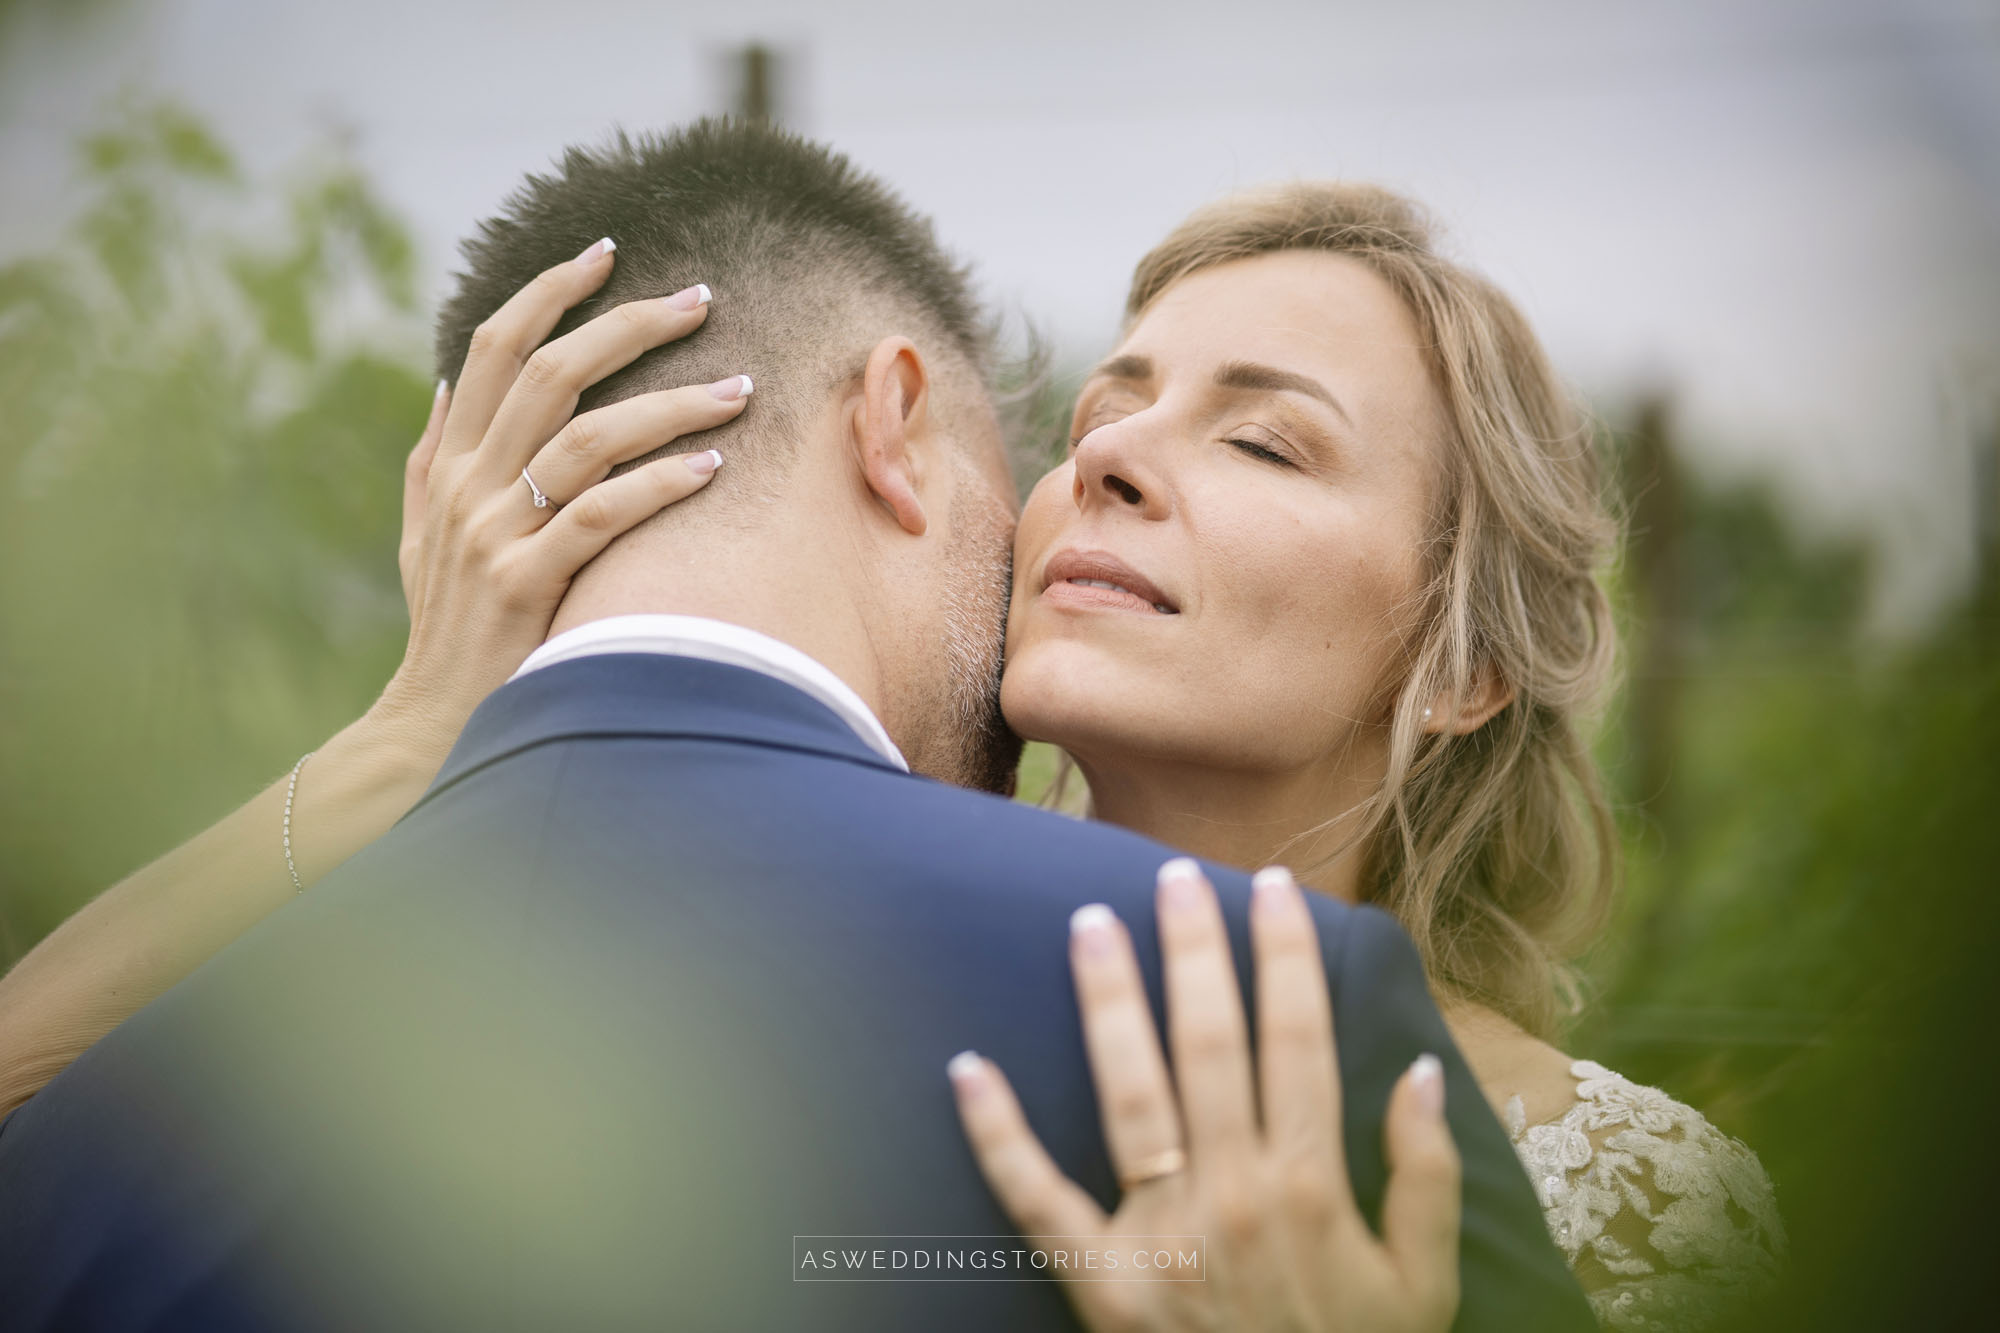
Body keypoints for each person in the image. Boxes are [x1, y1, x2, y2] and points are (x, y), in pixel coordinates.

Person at [0, 120, 1594, 1332]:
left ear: (1466, 661)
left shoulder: (127, 1123)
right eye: (1092, 420)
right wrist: (401, 738)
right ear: (895, 429)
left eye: (1264, 441)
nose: (1097, 469)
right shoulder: (1267, 991)